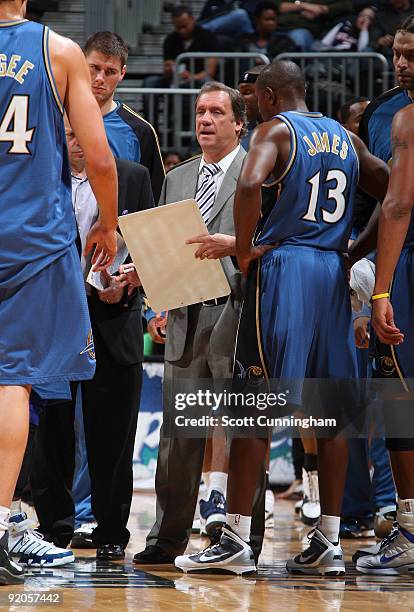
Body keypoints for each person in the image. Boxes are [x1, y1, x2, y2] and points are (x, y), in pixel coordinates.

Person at [174, 60, 389, 576]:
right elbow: (395, 192)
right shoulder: (343, 135)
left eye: (253, 99)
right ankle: (330, 541)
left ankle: (235, 541)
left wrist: (245, 249)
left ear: (270, 96)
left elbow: (249, 183)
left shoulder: (276, 130)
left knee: (254, 407)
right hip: (331, 273)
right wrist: (353, 250)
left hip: (285, 268)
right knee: (329, 414)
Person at [0, 0, 118, 584]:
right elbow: (98, 155)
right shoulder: (57, 51)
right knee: (13, 379)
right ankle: (2, 523)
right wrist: (106, 223)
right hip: (30, 240)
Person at [131, 81, 266, 566]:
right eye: (199, 112)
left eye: (215, 112)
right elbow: (166, 248)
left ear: (239, 123)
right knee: (179, 437)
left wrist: (236, 246)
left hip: (239, 311)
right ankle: (167, 540)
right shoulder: (178, 177)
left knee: (241, 432)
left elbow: (272, 245)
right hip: (185, 314)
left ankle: (243, 538)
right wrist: (158, 301)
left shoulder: (260, 172)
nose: (205, 120)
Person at [30, 118, 154, 561]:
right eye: (67, 135)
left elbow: (153, 248)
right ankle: (53, 529)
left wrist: (133, 279)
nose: (76, 143)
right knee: (52, 436)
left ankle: (111, 533)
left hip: (115, 320)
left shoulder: (134, 178)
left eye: (84, 135)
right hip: (53, 321)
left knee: (113, 437)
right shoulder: (41, 178)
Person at [354, 74, 414, 579]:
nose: (402, 64)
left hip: (409, 262)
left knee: (400, 395)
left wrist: (380, 290)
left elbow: (396, 204)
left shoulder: (406, 121)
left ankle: (411, 528)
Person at [85, 31, 165, 202]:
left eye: (110, 72)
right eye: (95, 68)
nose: (100, 78)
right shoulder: (55, 118)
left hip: (118, 226)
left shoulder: (141, 131)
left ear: (122, 73)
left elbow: (154, 199)